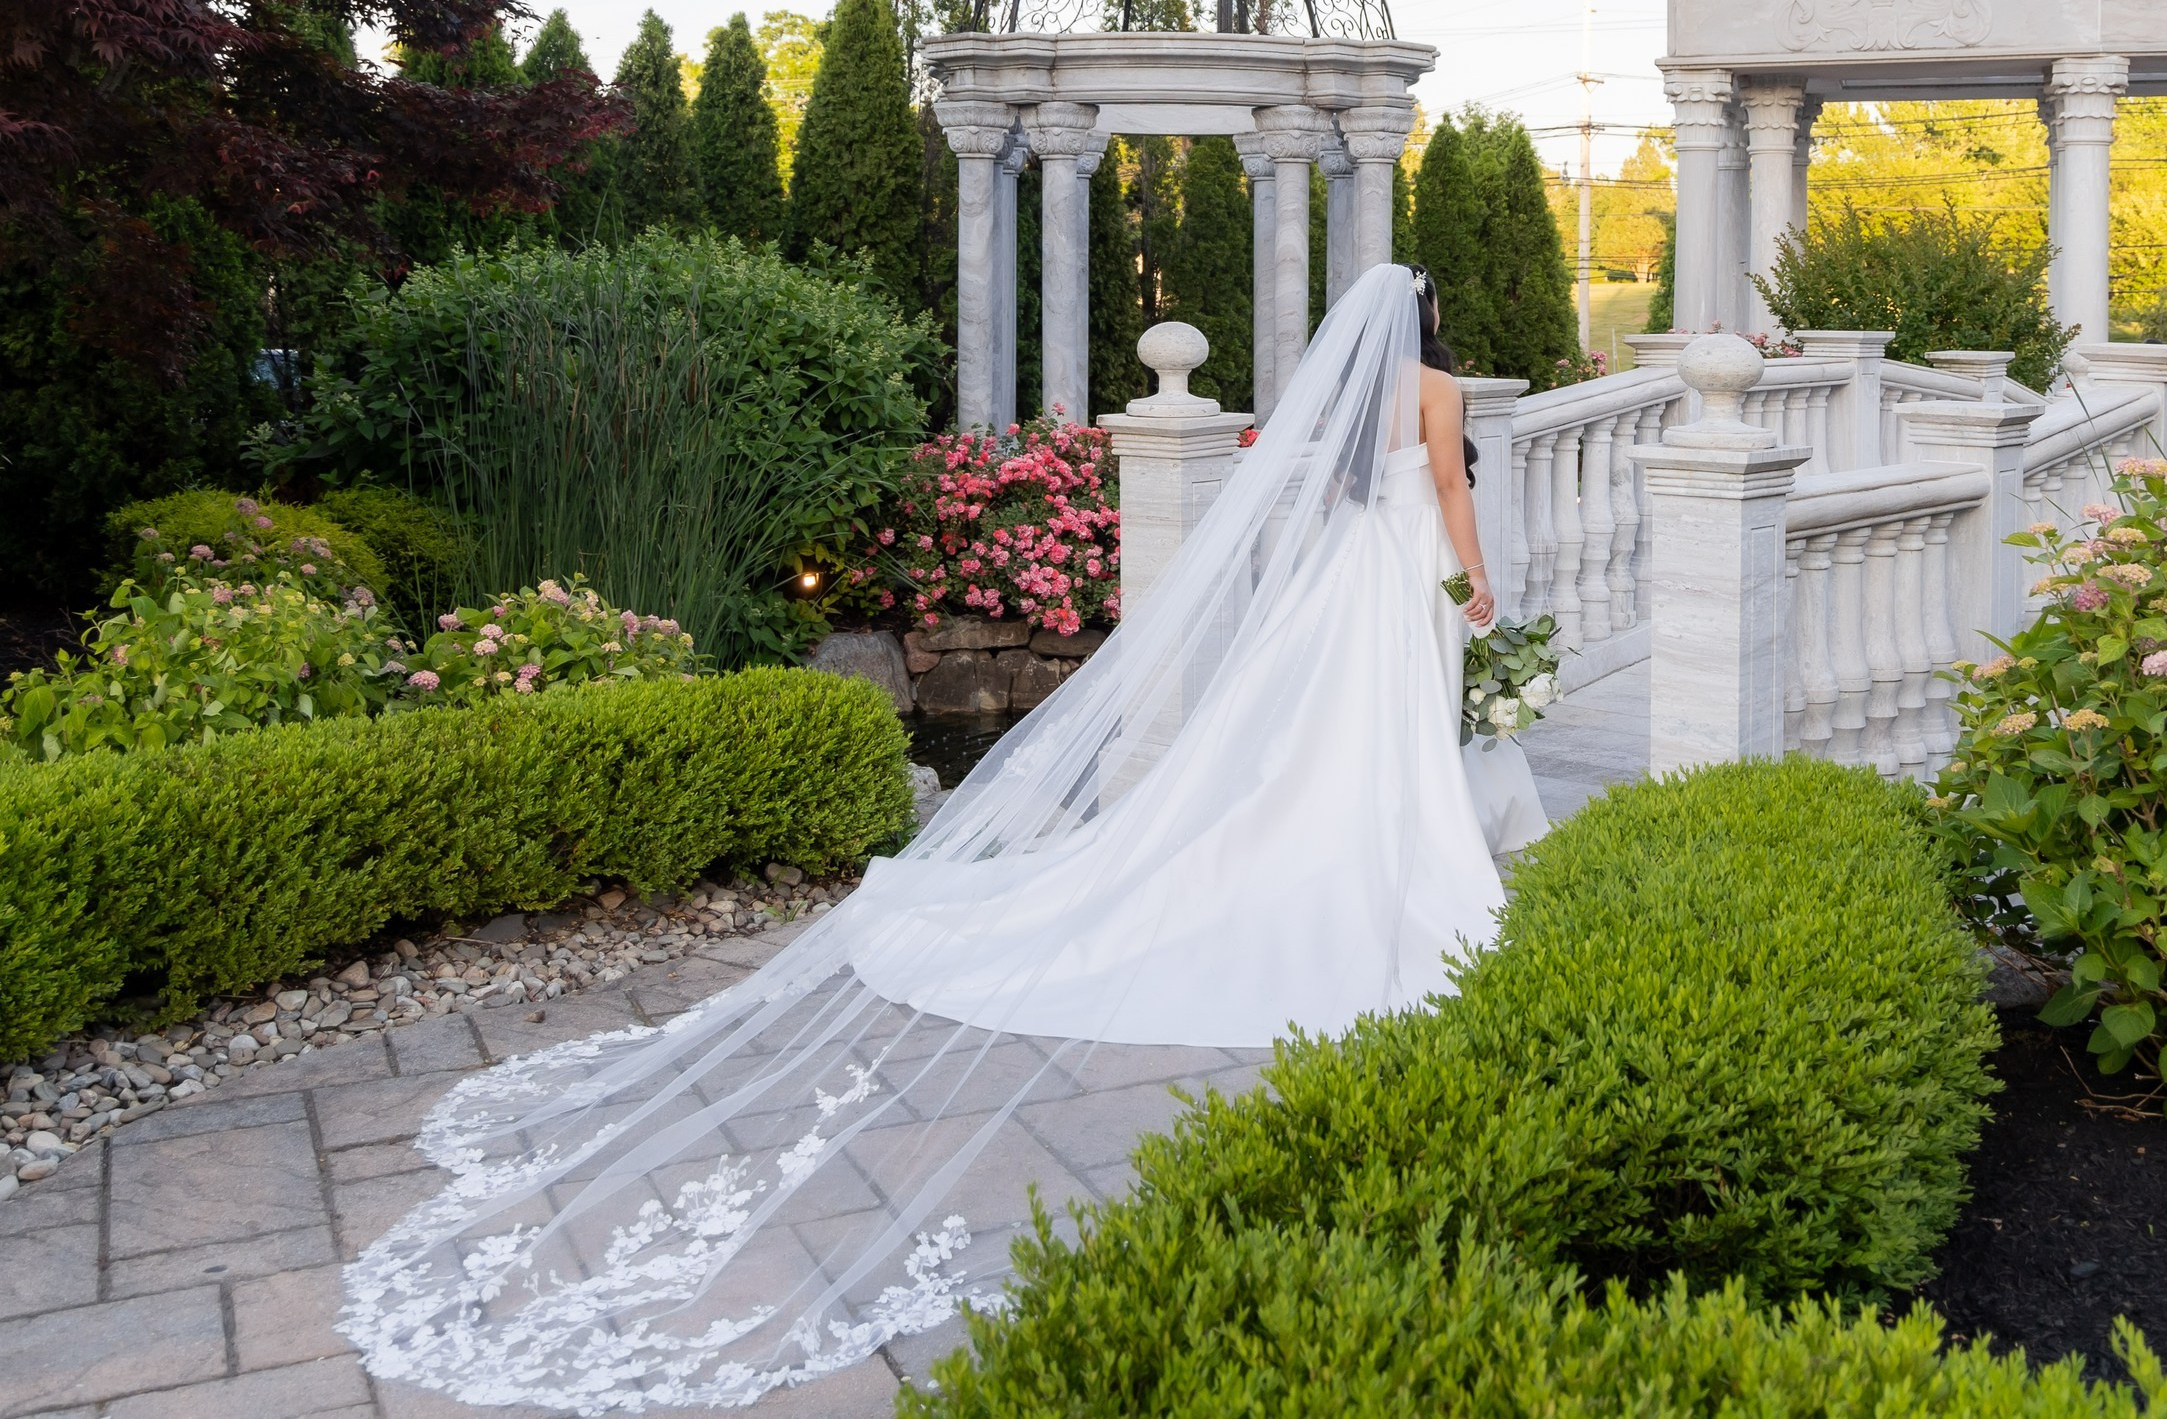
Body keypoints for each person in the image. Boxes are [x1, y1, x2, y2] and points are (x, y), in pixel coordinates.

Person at [339, 264, 1550, 1409]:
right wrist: (1474, 581)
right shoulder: (1438, 391)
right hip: (1406, 573)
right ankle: (1378, 851)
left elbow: (1336, 488)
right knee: (1386, 716)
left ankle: (1322, 832)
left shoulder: (1346, 402)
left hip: (1348, 569)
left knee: (1328, 726)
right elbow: (1446, 490)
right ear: (1429, 319)